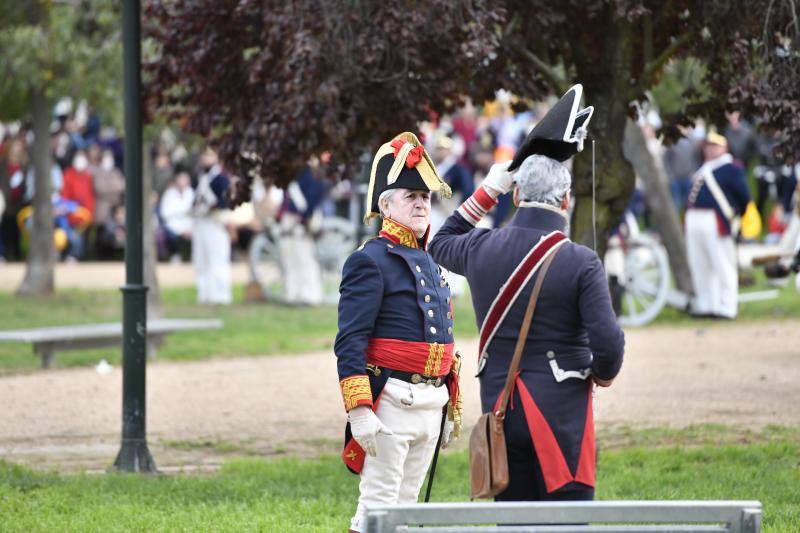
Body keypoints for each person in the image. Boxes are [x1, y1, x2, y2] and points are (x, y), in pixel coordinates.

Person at [429, 85, 624, 502]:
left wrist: (487, 191)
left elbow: (440, 242)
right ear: (566, 200)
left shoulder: (481, 247)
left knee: (514, 523)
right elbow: (608, 347)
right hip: (561, 416)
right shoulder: (581, 262)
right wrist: (602, 374)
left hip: (500, 409)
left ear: (516, 194)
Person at [335, 132, 462, 532]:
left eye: (425, 197)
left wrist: (447, 405)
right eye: (410, 196)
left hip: (430, 400)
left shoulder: (429, 258)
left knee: (407, 513)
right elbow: (350, 341)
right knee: (376, 509)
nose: (422, 202)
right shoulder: (369, 260)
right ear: (386, 205)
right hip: (390, 401)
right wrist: (359, 411)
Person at [685, 130, 751, 319]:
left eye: (715, 145)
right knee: (701, 264)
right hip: (695, 219)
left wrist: (734, 217)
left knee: (723, 264)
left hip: (715, 220)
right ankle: (707, 305)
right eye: (708, 146)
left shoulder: (731, 168)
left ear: (724, 147)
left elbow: (744, 197)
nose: (710, 149)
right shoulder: (703, 168)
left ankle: (727, 307)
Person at [191, 146, 232, 305]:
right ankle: (205, 294)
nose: (205, 159)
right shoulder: (200, 176)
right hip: (201, 222)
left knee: (217, 259)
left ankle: (220, 295)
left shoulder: (220, 177)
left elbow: (224, 201)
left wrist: (211, 207)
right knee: (201, 259)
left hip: (215, 222)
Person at [159, 170, 195, 262]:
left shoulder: (191, 193)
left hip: (189, 226)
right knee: (170, 235)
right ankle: (175, 255)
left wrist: (189, 228)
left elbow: (194, 214)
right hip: (173, 225)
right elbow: (165, 213)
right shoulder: (169, 193)